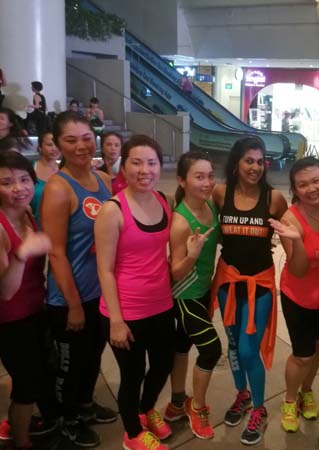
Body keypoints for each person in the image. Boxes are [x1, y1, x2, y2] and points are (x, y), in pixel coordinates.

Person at [40, 112, 116, 448]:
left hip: (99, 292)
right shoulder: (58, 188)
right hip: (69, 297)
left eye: (86, 137)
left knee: (93, 356)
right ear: (58, 145)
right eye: (71, 140)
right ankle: (66, 421)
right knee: (69, 365)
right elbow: (56, 253)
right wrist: (73, 305)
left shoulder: (103, 179)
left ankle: (85, 405)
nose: (81, 146)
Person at [95, 135, 175, 450]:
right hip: (126, 310)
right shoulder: (112, 210)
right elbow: (105, 270)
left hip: (161, 304)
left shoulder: (163, 200)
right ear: (123, 167)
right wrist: (116, 321)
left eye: (151, 163)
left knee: (163, 365)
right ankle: (132, 433)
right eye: (136, 162)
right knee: (133, 374)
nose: (145, 170)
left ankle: (146, 409)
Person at [211, 136, 288, 445]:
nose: (256, 167)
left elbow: (297, 226)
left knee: (247, 349)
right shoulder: (220, 194)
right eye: (249, 161)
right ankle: (241, 394)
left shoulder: (274, 199)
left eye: (260, 161)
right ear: (236, 163)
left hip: (260, 285)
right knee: (233, 344)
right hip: (228, 281)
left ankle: (259, 409)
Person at [268, 157, 319, 433]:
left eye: (316, 181)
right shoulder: (291, 220)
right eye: (302, 185)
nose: (311, 189)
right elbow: (298, 270)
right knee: (302, 355)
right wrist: (297, 240)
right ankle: (290, 400)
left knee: (318, 344)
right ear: (294, 190)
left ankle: (307, 390)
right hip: (299, 295)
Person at [0, 150, 58, 450]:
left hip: (35, 309)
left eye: (24, 180)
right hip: (11, 320)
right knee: (27, 385)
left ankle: (18, 424)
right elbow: (5, 291)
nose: (18, 188)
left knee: (36, 375)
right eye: (6, 182)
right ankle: (20, 442)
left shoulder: (26, 213)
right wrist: (22, 254)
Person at [163, 151, 221, 441]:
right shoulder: (180, 222)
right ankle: (196, 407)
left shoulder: (210, 204)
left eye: (210, 176)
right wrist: (193, 255)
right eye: (199, 177)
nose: (207, 182)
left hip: (204, 291)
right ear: (182, 181)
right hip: (185, 295)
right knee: (211, 349)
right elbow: (175, 272)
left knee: (182, 345)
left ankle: (176, 403)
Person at [30, 131, 60, 224]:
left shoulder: (65, 170)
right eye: (50, 145)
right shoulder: (29, 169)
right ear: (40, 148)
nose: (54, 148)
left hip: (60, 224)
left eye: (57, 144)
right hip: (34, 225)